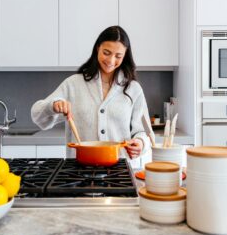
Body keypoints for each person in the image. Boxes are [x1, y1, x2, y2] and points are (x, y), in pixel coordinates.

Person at [31, 26, 150, 162]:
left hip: (120, 172)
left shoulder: (133, 89)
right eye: (106, 52)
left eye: (118, 56)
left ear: (125, 56)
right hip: (79, 171)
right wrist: (53, 106)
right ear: (97, 48)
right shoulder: (74, 84)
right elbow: (37, 116)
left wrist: (140, 143)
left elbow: (143, 131)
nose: (111, 61)